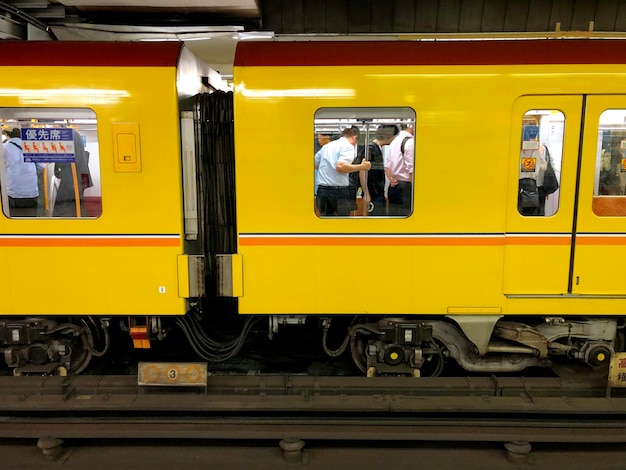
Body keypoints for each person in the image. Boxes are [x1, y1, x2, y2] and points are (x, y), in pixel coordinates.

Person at [314, 127, 371, 216]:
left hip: (322, 191)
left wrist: (327, 171)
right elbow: (340, 166)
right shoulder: (348, 146)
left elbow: (314, 163)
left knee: (325, 223)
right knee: (341, 223)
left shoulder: (326, 147)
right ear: (354, 138)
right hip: (338, 192)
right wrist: (362, 166)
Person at [351, 125, 397, 216]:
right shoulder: (371, 149)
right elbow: (362, 170)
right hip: (373, 194)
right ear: (388, 136)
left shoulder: (376, 149)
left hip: (376, 192)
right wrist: (366, 194)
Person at [2, 127, 42, 217]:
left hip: (13, 192)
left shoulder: (4, 148)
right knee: (30, 221)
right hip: (31, 192)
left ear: (6, 134)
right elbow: (41, 166)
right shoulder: (31, 146)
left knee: (13, 220)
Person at [53, 128, 92, 217]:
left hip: (71, 176)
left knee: (63, 204)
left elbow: (63, 156)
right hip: (81, 175)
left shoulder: (65, 135)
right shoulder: (75, 134)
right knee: (78, 203)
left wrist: (57, 169)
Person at [518, 126, 548, 216]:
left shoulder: (518, 148)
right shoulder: (537, 150)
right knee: (530, 211)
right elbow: (544, 167)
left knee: (518, 208)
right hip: (531, 183)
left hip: (518, 182)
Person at [385, 125, 414, 216]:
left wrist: (391, 179)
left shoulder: (394, 141)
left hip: (394, 186)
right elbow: (411, 169)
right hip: (406, 188)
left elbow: (387, 166)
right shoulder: (410, 142)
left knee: (395, 219)